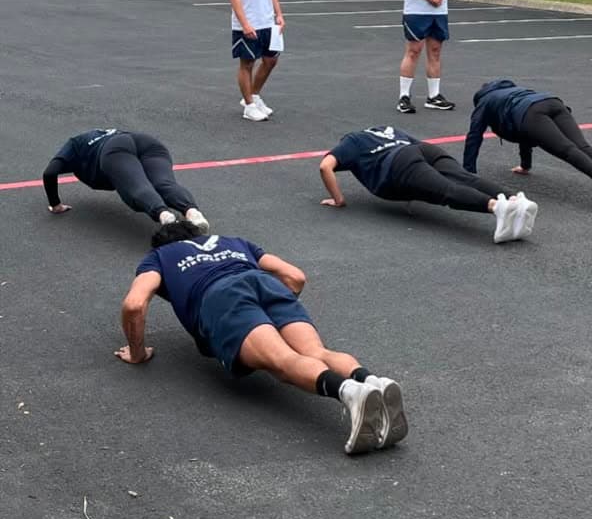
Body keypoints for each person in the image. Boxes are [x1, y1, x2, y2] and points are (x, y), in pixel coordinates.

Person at [114, 220, 406, 455]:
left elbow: (134, 304)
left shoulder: (160, 257)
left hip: (222, 298)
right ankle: (370, 380)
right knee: (317, 352)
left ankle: (349, 393)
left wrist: (137, 352)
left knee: (284, 361)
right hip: (264, 283)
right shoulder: (234, 242)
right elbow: (295, 277)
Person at [319, 125, 538, 243]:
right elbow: (417, 147)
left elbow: (325, 166)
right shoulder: (385, 129)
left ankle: (495, 207)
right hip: (423, 149)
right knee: (465, 177)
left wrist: (339, 200)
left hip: (398, 164)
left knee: (446, 190)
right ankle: (515, 199)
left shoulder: (351, 141)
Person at [463, 78, 592, 212]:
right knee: (582, 146)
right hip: (552, 102)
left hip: (530, 114)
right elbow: (523, 134)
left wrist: (468, 173)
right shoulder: (516, 91)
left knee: (566, 150)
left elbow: (474, 136)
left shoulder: (484, 102)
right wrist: (525, 165)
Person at [42, 128, 209, 232]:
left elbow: (50, 172)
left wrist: (55, 205)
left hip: (115, 148)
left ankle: (164, 216)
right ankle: (192, 212)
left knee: (137, 187)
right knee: (164, 183)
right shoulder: (97, 134)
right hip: (145, 141)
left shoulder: (73, 145)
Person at [226, 0, 286, 122]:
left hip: (267, 21)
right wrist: (245, 25)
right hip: (248, 22)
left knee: (270, 60)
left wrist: (279, 14)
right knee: (248, 63)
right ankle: (249, 106)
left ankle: (254, 95)